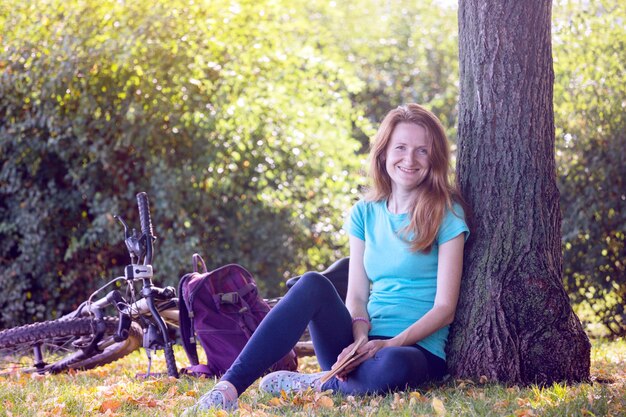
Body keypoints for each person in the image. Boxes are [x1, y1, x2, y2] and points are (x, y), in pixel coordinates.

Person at [184, 103, 469, 414]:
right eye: (400, 147)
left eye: (422, 151)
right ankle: (228, 388)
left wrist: (388, 344)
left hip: (413, 350)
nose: (409, 159)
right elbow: (357, 296)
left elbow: (444, 309)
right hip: (356, 346)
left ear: (435, 158)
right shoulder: (365, 212)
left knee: (393, 365)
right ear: (384, 152)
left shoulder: (447, 213)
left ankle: (322, 383)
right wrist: (360, 340)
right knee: (312, 283)